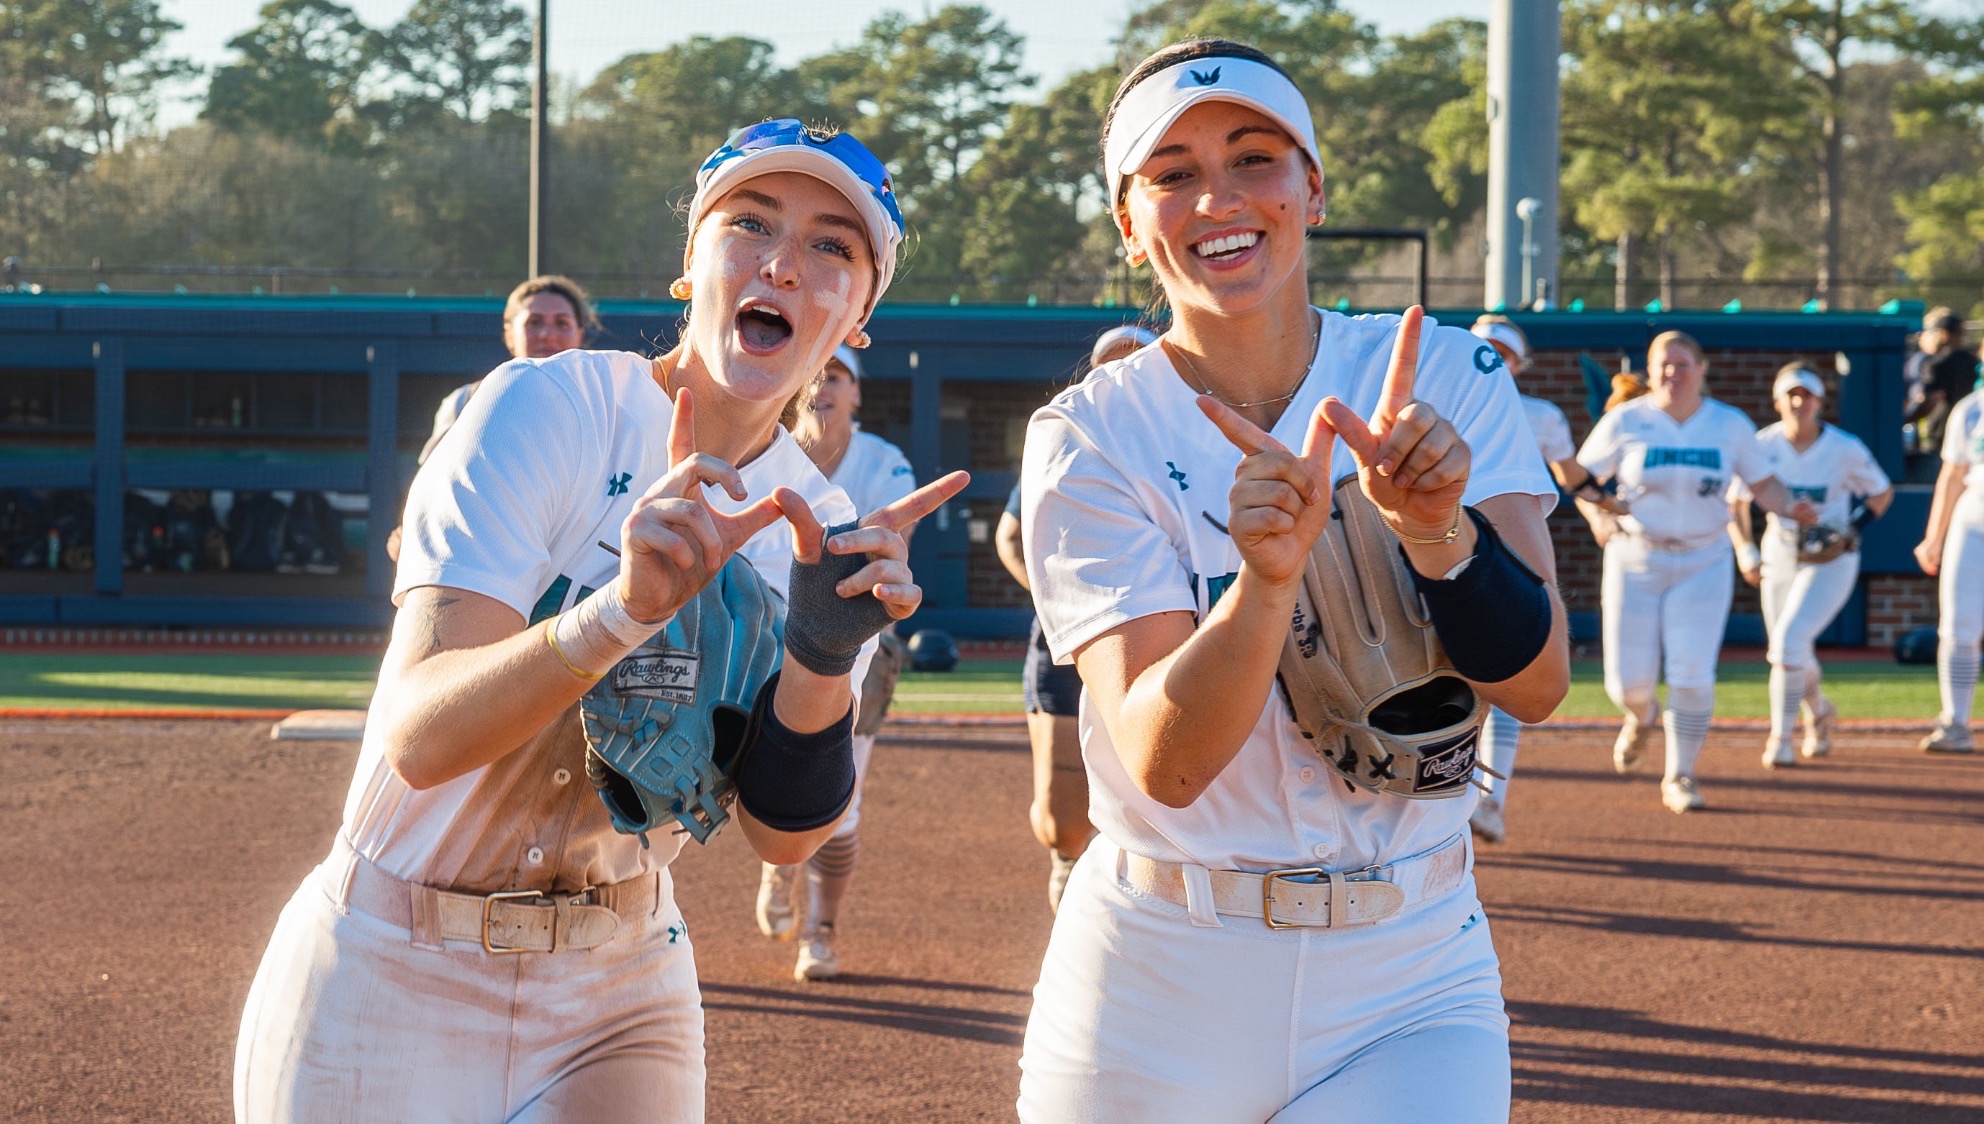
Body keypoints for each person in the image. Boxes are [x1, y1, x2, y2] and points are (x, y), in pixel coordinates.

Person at [235, 118, 967, 1120]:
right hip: (394, 955)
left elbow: (781, 836)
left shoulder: (818, 523)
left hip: (620, 980)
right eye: (750, 222)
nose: (785, 262)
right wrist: (622, 610)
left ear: (859, 317)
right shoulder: (545, 408)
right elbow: (420, 734)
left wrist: (820, 654)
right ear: (691, 265)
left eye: (832, 246)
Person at [1016, 39, 1569, 1120]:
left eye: (1254, 157)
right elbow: (1164, 765)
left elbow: (1538, 684)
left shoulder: (1443, 372)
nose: (1216, 195)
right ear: (1130, 226)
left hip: (1409, 974)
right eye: (1170, 172)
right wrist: (1263, 585)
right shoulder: (1091, 433)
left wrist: (1437, 535)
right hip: (1157, 973)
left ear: (1311, 189)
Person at [1574, 331, 1816, 813]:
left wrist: (1794, 508)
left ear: (1702, 370)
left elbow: (1764, 483)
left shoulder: (1728, 424)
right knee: (1628, 684)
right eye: (1663, 363)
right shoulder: (1626, 419)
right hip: (1635, 556)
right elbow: (1581, 480)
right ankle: (1641, 717)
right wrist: (1600, 517)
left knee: (1691, 672)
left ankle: (1680, 773)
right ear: (1649, 370)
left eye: (1683, 363)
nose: (1673, 372)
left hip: (1704, 560)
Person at [754, 342, 916, 980]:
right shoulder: (764, 451)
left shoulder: (884, 461)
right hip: (764, 637)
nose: (823, 383)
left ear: (857, 393)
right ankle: (778, 856)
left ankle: (821, 930)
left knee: (839, 803)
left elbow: (890, 548)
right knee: (766, 779)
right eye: (814, 370)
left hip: (859, 642)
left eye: (838, 374)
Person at [997, 325, 1158, 913]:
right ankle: (1069, 864)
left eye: (1138, 362)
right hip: (1070, 641)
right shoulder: (1063, 442)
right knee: (1062, 820)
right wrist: (1062, 599)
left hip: (1167, 636)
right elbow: (1010, 537)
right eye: (1110, 365)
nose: (1122, 376)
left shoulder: (1189, 442)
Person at [1464, 315, 1624, 844]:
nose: (1491, 358)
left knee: (1511, 672)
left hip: (1512, 556)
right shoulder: (1436, 400)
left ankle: (1493, 801)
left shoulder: (1540, 415)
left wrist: (1604, 500)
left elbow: (1571, 474)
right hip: (1437, 550)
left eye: (1502, 353)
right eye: (1482, 347)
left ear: (1519, 364)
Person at [1725, 363, 1892, 768]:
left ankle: (1780, 738)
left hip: (1829, 556)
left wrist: (1853, 527)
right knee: (1789, 646)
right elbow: (1735, 502)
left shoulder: (1843, 447)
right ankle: (1819, 711)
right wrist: (1745, 550)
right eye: (1791, 395)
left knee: (1788, 642)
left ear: (1820, 401)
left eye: (1807, 395)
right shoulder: (1762, 444)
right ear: (1778, 401)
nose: (1799, 403)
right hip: (1780, 548)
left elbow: (1881, 493)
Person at [387, 275, 602, 562]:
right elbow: (432, 484)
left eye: (561, 323)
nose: (547, 334)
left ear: (580, 333)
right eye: (534, 322)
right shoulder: (465, 402)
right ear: (509, 333)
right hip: (488, 563)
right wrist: (411, 533)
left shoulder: (605, 406)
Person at [1911, 327, 1984, 754]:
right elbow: (1951, 476)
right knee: (1958, 624)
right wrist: (1934, 537)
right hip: (1976, 511)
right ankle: (1956, 722)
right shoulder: (1971, 410)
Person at [1905, 308, 1978, 484]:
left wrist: (1905, 419)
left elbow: (1931, 399)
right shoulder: (1975, 362)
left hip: (1940, 441)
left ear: (1943, 334)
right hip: (1973, 436)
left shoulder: (1937, 364)